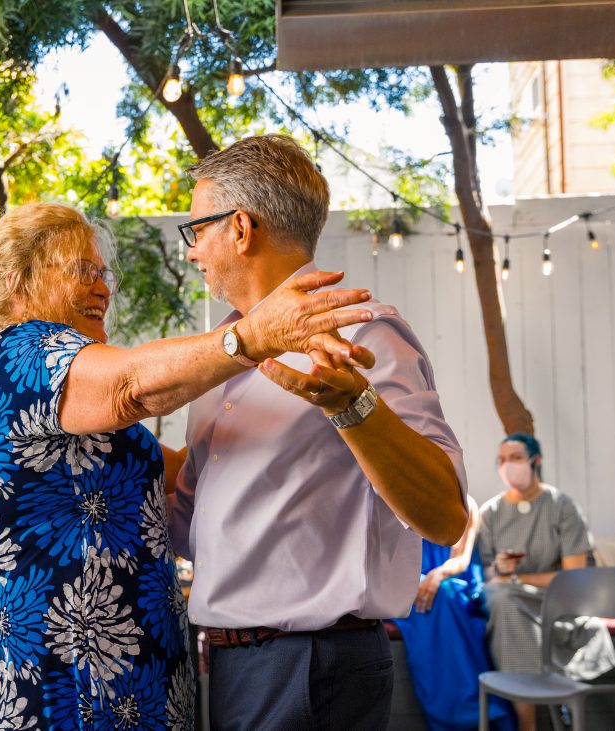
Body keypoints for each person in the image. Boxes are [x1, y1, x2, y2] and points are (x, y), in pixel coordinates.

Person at [0, 201, 373, 728]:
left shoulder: (66, 396)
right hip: (70, 684)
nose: (102, 289)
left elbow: (198, 469)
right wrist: (256, 334)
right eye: (81, 271)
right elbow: (134, 385)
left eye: (103, 275)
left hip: (129, 682)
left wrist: (335, 421)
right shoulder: (18, 354)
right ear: (19, 282)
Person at [166, 134, 469, 730]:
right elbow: (195, 525)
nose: (193, 251)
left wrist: (354, 405)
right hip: (236, 666)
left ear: (241, 229)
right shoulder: (219, 357)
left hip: (313, 668)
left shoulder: (362, 334)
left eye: (196, 230)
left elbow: (445, 516)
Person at [479, 432, 613, 731]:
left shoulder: (562, 506)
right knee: (503, 601)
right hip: (507, 601)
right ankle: (533, 719)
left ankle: (535, 717)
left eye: (516, 458)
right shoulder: (490, 513)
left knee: (506, 599)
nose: (508, 465)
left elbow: (573, 576)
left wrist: (516, 578)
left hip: (555, 602)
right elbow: (487, 575)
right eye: (501, 460)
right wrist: (499, 567)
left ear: (535, 460)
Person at [393, 495, 515, 731]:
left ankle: (475, 709)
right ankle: (454, 715)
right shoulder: (397, 497)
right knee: (427, 603)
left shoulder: (464, 503)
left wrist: (437, 575)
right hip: (409, 581)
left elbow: (460, 559)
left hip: (454, 578)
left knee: (447, 597)